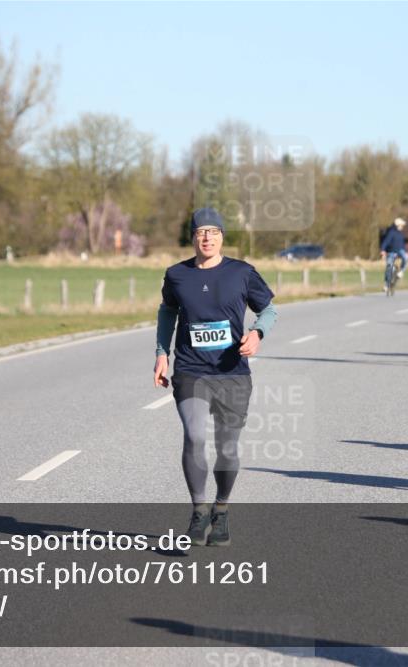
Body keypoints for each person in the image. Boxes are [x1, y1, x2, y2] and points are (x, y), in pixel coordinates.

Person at [154, 207, 277, 546]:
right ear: (192, 237)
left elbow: (268, 309)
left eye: (214, 232)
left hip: (232, 373)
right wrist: (161, 352)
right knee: (194, 436)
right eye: (201, 232)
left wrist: (257, 333)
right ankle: (198, 511)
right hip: (191, 370)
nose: (207, 237)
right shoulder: (176, 275)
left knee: (227, 448)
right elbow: (167, 311)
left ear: (222, 236)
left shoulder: (242, 273)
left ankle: (221, 511)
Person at [380, 217, 408, 290]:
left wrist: (405, 251)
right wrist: (383, 250)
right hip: (391, 252)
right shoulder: (391, 233)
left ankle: (401, 271)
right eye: (401, 225)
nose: (402, 227)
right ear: (398, 225)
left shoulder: (400, 234)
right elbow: (386, 242)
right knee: (389, 267)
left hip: (400, 251)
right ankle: (386, 284)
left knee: (405, 258)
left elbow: (402, 244)